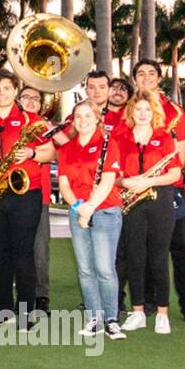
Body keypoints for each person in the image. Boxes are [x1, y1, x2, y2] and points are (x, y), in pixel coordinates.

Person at [0, 70, 55, 327]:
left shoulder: (34, 121)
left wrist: (31, 152)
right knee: (1, 254)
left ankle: (26, 312)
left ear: (15, 91)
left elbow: (50, 152)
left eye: (6, 88)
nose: (1, 93)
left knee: (24, 253)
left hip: (26, 194)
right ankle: (3, 309)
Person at [130, 59, 185, 321]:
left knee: (179, 248)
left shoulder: (175, 112)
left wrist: (157, 176)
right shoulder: (130, 109)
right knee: (142, 249)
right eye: (141, 73)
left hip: (171, 188)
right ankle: (147, 302)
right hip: (137, 191)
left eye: (151, 73)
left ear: (159, 78)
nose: (146, 77)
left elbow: (180, 154)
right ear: (135, 79)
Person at [57, 100, 126, 339]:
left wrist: (90, 208)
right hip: (78, 212)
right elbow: (64, 184)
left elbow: (108, 181)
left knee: (105, 269)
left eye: (88, 116)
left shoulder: (109, 143)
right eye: (78, 116)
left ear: (97, 118)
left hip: (105, 211)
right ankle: (93, 318)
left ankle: (111, 318)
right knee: (85, 270)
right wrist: (78, 207)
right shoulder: (66, 149)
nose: (83, 120)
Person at [117, 91, 183, 335]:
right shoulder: (121, 138)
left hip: (160, 202)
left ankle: (163, 314)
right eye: (138, 109)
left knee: (158, 259)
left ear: (154, 112)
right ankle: (137, 312)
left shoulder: (164, 137)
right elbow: (115, 175)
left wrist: (148, 181)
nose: (142, 114)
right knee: (135, 258)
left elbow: (175, 174)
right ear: (131, 112)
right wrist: (125, 183)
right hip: (132, 201)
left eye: (147, 109)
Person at [17, 86, 53, 314]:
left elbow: (59, 151)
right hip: (10, 194)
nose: (31, 101)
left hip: (39, 193)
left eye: (36, 99)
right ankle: (18, 296)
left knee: (39, 249)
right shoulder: (7, 121)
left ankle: (41, 296)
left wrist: (33, 153)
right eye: (26, 97)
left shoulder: (45, 127)